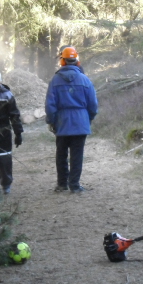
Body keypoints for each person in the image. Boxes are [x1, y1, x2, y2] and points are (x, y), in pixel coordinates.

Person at [45, 47, 98, 193]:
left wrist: (51, 121)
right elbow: (93, 105)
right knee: (77, 154)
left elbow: (50, 105)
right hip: (81, 122)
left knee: (61, 154)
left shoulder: (55, 81)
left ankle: (62, 184)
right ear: (76, 60)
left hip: (62, 123)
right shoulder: (85, 80)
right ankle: (74, 185)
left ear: (62, 60)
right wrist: (88, 118)